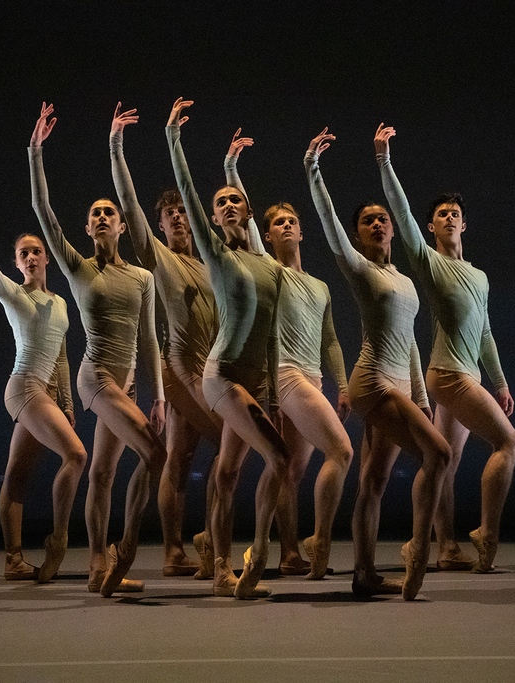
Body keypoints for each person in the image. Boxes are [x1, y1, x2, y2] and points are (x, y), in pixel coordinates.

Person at [304, 129, 452, 600]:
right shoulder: (360, 269)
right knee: (440, 454)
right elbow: (327, 219)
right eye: (368, 221)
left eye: (382, 219)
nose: (378, 225)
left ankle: (363, 573)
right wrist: (313, 167)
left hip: (401, 385)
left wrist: (423, 399)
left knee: (374, 480)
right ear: (358, 234)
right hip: (372, 384)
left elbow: (409, 343)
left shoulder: (404, 280)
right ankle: (418, 557)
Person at [29, 103, 167, 596]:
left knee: (105, 473)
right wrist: (35, 152)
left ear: (123, 226)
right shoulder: (78, 269)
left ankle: (95, 569)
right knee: (155, 452)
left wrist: (160, 395)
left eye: (111, 212)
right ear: (88, 229)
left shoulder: (143, 276)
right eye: (96, 214)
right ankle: (121, 552)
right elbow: (44, 213)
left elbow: (150, 339)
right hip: (97, 377)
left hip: (127, 380)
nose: (104, 217)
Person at [374, 124, 515, 573]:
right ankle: (486, 533)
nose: (450, 217)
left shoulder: (480, 276)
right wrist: (384, 159)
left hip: (468, 374)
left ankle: (444, 547)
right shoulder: (430, 263)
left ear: (464, 222)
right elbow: (399, 210)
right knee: (509, 443)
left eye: (455, 212)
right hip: (449, 376)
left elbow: (486, 333)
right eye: (441, 214)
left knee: (448, 462)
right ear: (432, 226)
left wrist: (499, 381)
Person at [167, 97, 288, 599]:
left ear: (249, 209)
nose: (227, 206)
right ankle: (251, 554)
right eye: (220, 204)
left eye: (235, 199)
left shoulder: (268, 263)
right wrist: (174, 141)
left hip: (257, 378)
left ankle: (213, 557)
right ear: (212, 220)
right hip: (222, 377)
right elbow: (193, 199)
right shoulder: (217, 255)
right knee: (280, 459)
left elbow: (274, 329)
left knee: (229, 471)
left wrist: (232, 166)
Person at [223, 133, 353, 580]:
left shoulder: (319, 285)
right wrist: (231, 169)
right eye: (275, 223)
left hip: (313, 377)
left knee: (290, 470)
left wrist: (342, 382)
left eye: (289, 222)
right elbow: (244, 216)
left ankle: (285, 552)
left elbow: (331, 339)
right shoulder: (269, 269)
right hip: (285, 376)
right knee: (341, 451)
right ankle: (316, 544)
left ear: (300, 230)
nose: (283, 227)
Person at [0, 167, 87, 584]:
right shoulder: (13, 294)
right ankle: (57, 542)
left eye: (36, 251)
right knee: (77, 456)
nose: (30, 257)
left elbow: (63, 358)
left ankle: (13, 559)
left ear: (47, 258)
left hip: (45, 393)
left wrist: (67, 403)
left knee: (17, 476)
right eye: (23, 253)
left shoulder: (61, 303)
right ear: (17, 263)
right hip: (23, 387)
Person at [109, 103, 223, 579]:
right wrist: (117, 145)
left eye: (182, 211)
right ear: (160, 225)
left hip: (210, 371)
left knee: (180, 455)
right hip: (181, 368)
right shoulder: (158, 256)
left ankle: (184, 546)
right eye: (169, 213)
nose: (177, 217)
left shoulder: (213, 265)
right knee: (235, 439)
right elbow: (130, 206)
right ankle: (194, 545)